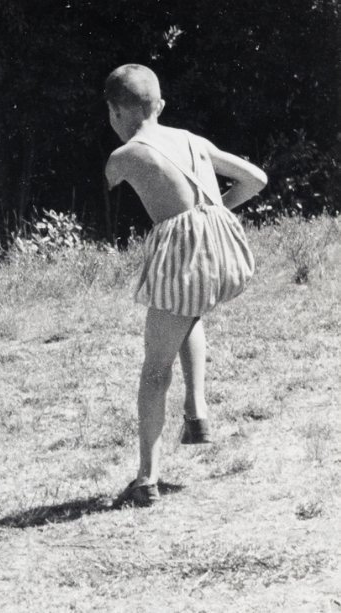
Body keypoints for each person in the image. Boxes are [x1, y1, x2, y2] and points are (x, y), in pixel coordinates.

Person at [103, 64, 267, 506]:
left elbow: (112, 183)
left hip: (185, 257)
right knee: (185, 309)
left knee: (155, 370)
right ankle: (197, 414)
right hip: (223, 256)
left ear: (116, 112)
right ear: (158, 105)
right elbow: (256, 179)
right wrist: (219, 210)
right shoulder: (192, 139)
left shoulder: (125, 156)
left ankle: (146, 479)